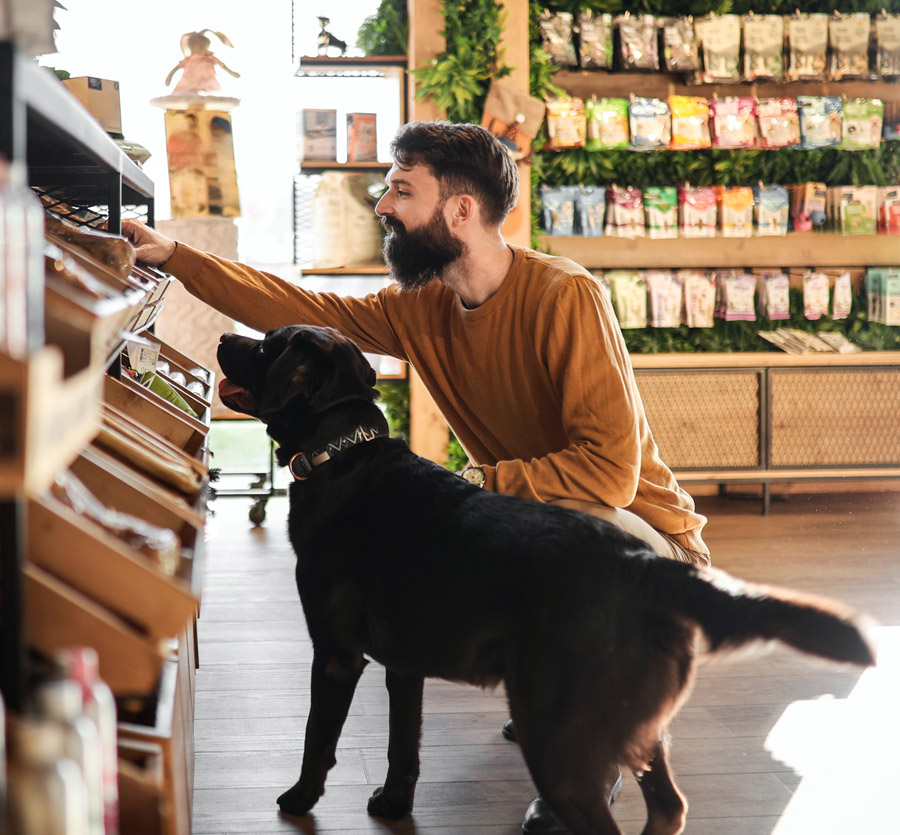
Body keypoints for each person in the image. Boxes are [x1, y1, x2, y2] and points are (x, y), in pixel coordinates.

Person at [122, 120, 711, 834]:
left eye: (402, 190)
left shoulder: (565, 295)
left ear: (460, 210)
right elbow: (308, 312)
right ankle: (562, 688)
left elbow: (610, 474)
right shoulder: (425, 307)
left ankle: (594, 761)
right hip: (538, 528)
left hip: (642, 540)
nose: (383, 205)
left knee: (576, 540)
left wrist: (483, 484)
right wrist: (177, 256)